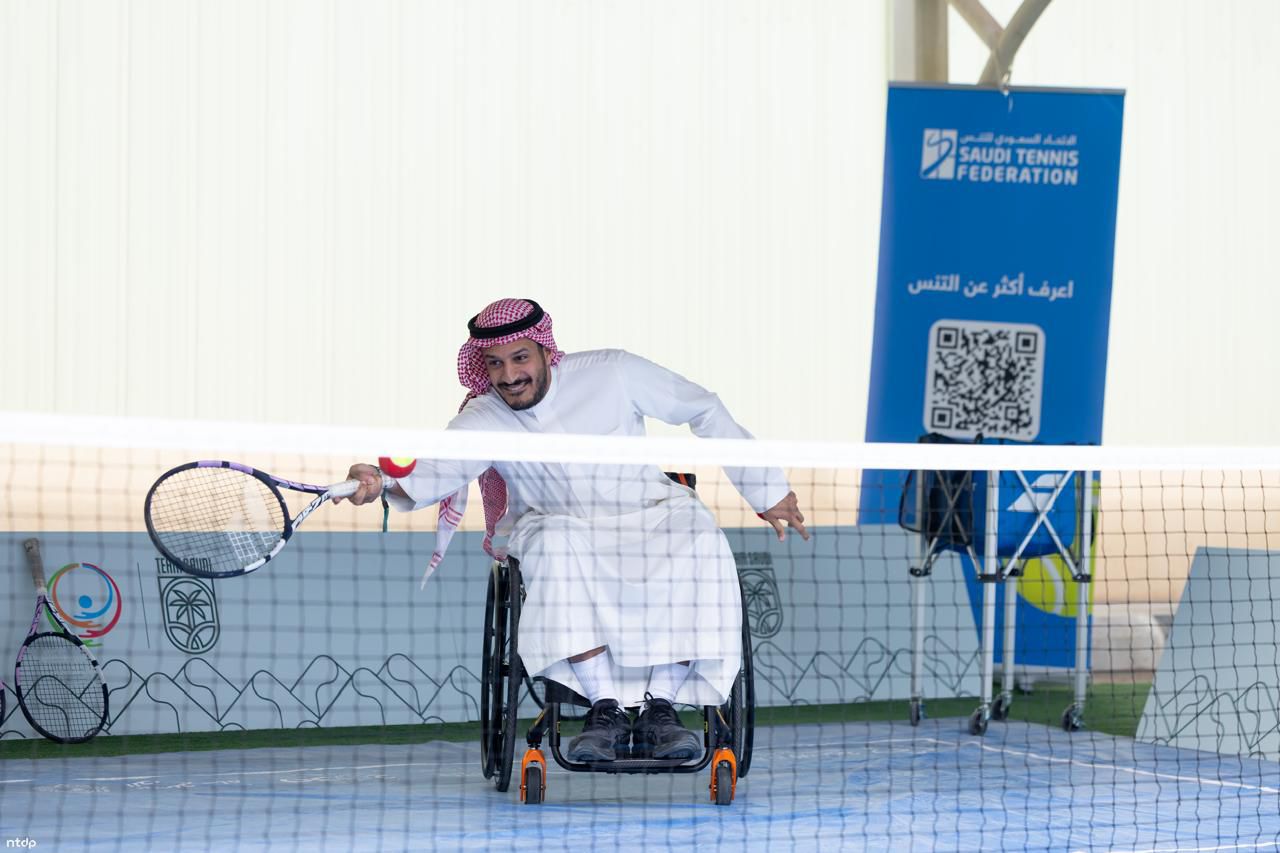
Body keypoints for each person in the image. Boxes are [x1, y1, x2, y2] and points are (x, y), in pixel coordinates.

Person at [340, 298, 808, 763]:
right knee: (553, 544)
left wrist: (765, 489)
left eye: (520, 358)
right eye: (495, 363)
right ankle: (603, 708)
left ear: (546, 350)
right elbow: (434, 469)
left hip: (651, 515)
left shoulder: (613, 372)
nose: (509, 375)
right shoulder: (484, 417)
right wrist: (379, 483)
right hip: (557, 526)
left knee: (701, 535)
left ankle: (662, 708)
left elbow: (702, 408)